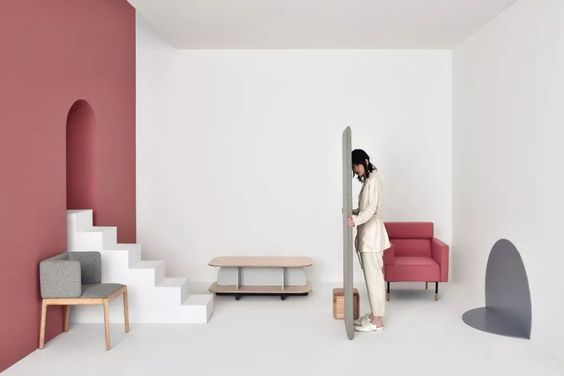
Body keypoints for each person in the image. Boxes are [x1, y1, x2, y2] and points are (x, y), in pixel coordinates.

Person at [346, 149, 391, 332]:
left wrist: (355, 220)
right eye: (353, 166)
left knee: (375, 279)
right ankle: (374, 315)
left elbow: (372, 209)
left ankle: (377, 321)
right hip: (368, 236)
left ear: (364, 161)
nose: (355, 169)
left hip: (373, 237)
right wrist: (354, 212)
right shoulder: (369, 181)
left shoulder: (373, 181)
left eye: (357, 165)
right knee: (371, 278)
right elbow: (365, 208)